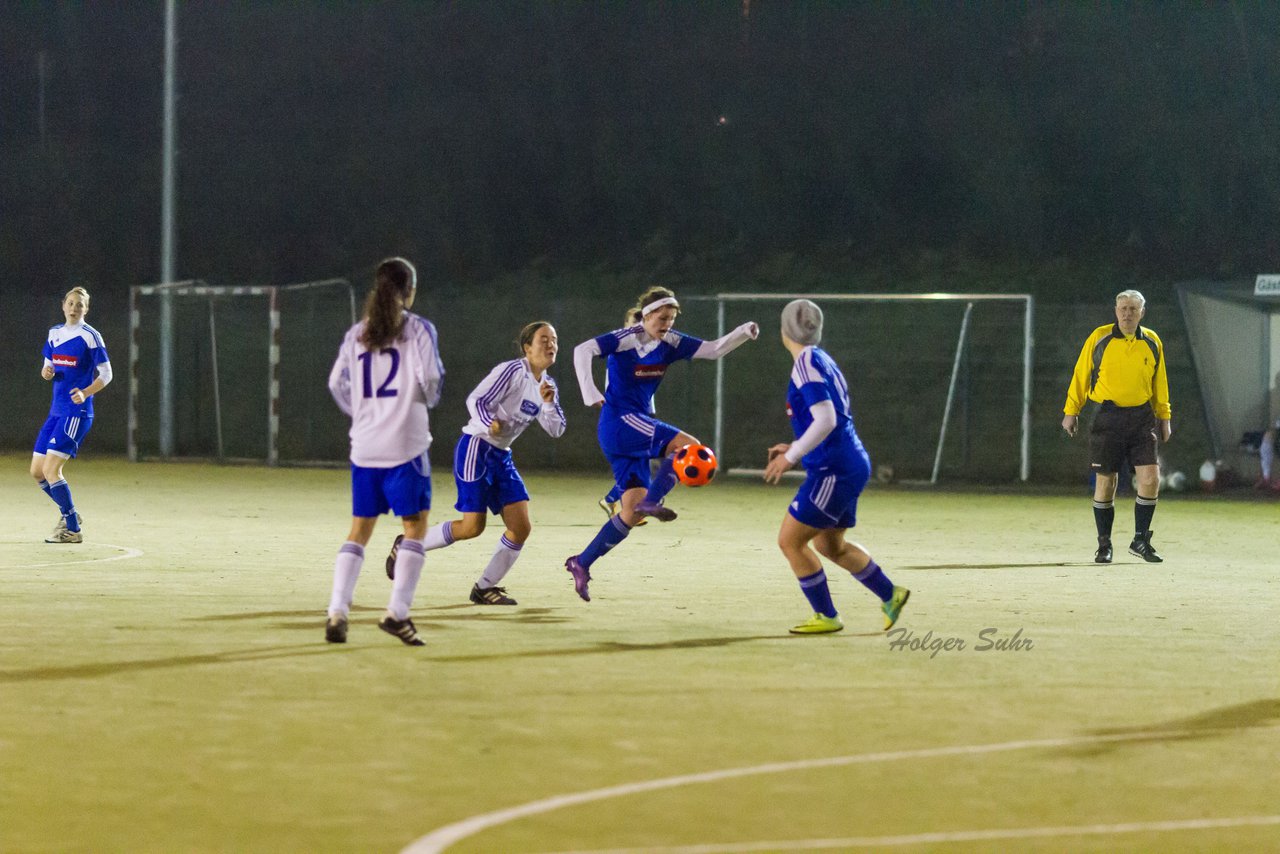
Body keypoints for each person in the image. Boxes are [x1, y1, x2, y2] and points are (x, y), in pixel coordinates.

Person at [563, 286, 759, 601]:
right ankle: (653, 501)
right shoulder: (626, 338)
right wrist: (590, 392)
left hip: (629, 429)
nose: (667, 324)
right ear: (647, 315)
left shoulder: (670, 342)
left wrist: (741, 333)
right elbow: (582, 350)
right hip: (619, 422)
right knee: (688, 446)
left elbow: (712, 349)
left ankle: (581, 563)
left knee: (630, 513)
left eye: (671, 319)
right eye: (663, 318)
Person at [384, 321, 566, 605]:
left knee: (521, 528)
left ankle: (484, 588)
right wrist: (488, 423)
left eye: (554, 339)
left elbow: (556, 429)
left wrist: (549, 404)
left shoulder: (547, 385)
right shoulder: (511, 371)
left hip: (502, 457)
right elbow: (476, 399)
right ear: (527, 348)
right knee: (472, 527)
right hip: (476, 448)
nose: (551, 344)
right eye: (544, 339)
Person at [762, 300, 910, 634]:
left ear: (784, 330)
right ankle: (891, 595)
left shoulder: (805, 364)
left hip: (833, 469)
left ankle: (827, 616)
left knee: (790, 542)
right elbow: (829, 418)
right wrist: (797, 443)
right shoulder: (821, 359)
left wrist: (792, 455)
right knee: (830, 545)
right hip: (847, 461)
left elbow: (826, 419)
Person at [324, 257, 444, 646]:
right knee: (415, 528)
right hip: (405, 448)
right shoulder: (418, 329)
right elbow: (431, 380)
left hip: (365, 447)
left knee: (359, 530)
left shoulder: (356, 333)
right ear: (409, 290)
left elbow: (336, 383)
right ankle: (397, 613)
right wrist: (419, 404)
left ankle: (337, 612)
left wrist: (361, 413)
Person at [1062, 289, 1171, 563]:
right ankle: (1104, 545)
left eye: (1133, 309)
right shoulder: (1100, 337)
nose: (1127, 313)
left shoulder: (1152, 341)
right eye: (1123, 308)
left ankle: (1140, 540)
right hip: (1107, 415)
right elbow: (1081, 374)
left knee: (1151, 479)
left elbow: (1160, 383)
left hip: (1142, 417)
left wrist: (1164, 417)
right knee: (1107, 481)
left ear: (1142, 313)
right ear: (1115, 311)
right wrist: (1071, 411)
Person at [31, 286, 112, 544]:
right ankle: (71, 513)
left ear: (86, 309)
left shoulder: (91, 336)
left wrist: (86, 392)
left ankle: (73, 529)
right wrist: (47, 371)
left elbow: (107, 374)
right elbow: (49, 363)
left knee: (52, 470)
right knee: (37, 472)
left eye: (80, 304)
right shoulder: (55, 333)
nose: (74, 308)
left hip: (76, 413)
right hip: (56, 411)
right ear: (63, 305)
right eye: (71, 303)